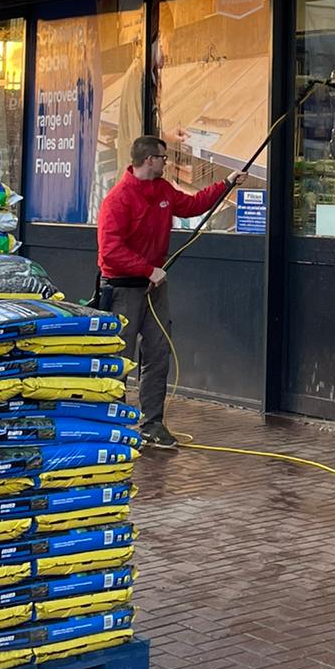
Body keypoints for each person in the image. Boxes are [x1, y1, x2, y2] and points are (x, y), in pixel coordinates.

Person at [97, 134, 240, 449]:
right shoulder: (118, 199)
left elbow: (192, 205)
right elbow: (109, 251)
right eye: (164, 157)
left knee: (158, 353)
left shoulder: (162, 190)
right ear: (149, 159)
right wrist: (147, 269)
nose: (167, 162)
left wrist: (226, 184)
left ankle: (152, 423)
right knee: (119, 357)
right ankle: (110, 422)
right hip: (124, 289)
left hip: (154, 287)